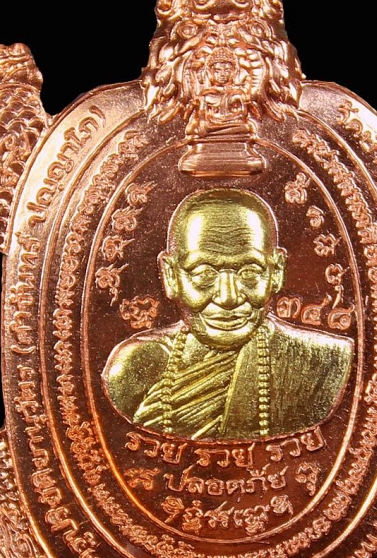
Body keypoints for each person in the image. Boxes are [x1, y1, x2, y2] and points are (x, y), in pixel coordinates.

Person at [102, 188, 353, 440]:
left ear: (276, 272)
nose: (228, 297)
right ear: (170, 275)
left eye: (249, 272)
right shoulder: (134, 367)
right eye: (204, 273)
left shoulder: (324, 364)